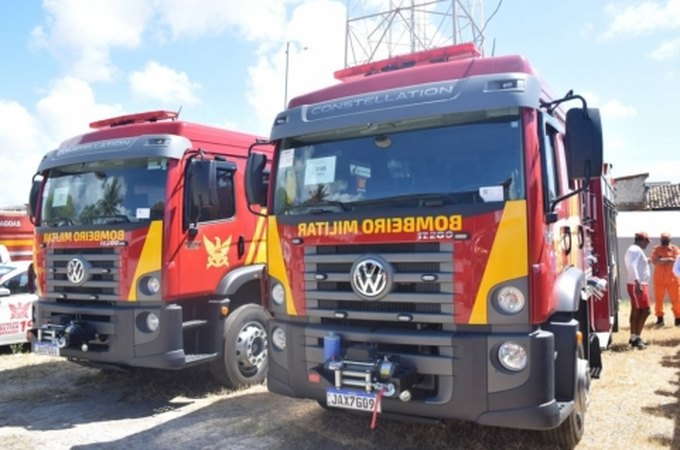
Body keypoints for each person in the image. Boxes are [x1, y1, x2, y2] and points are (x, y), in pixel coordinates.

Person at [624, 232, 652, 349]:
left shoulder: (634, 250)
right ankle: (636, 338)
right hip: (638, 284)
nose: (647, 244)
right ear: (643, 240)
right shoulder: (635, 250)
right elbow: (632, 265)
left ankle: (634, 337)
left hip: (639, 284)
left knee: (638, 310)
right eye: (647, 242)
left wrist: (646, 261)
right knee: (645, 310)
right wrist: (637, 282)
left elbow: (636, 264)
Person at [650, 232, 680, 327]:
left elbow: (676, 262)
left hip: (673, 279)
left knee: (677, 300)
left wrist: (661, 259)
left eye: (666, 239)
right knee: (659, 300)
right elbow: (654, 261)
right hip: (659, 280)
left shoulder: (675, 249)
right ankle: (660, 319)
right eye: (663, 239)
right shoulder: (656, 249)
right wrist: (669, 260)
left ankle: (678, 318)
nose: (664, 241)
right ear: (660, 239)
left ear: (669, 240)